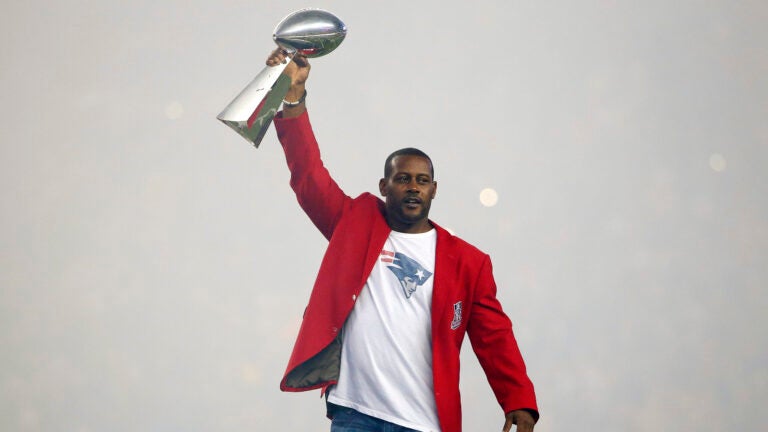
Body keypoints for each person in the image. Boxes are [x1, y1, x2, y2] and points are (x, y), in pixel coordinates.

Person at [266, 49, 539, 432]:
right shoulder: (355, 225)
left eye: (422, 180)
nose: (413, 187)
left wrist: (519, 402)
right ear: (384, 186)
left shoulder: (468, 263)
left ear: (434, 190)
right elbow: (308, 177)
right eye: (402, 178)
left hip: (423, 422)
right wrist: (292, 96)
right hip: (354, 414)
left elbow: (495, 337)